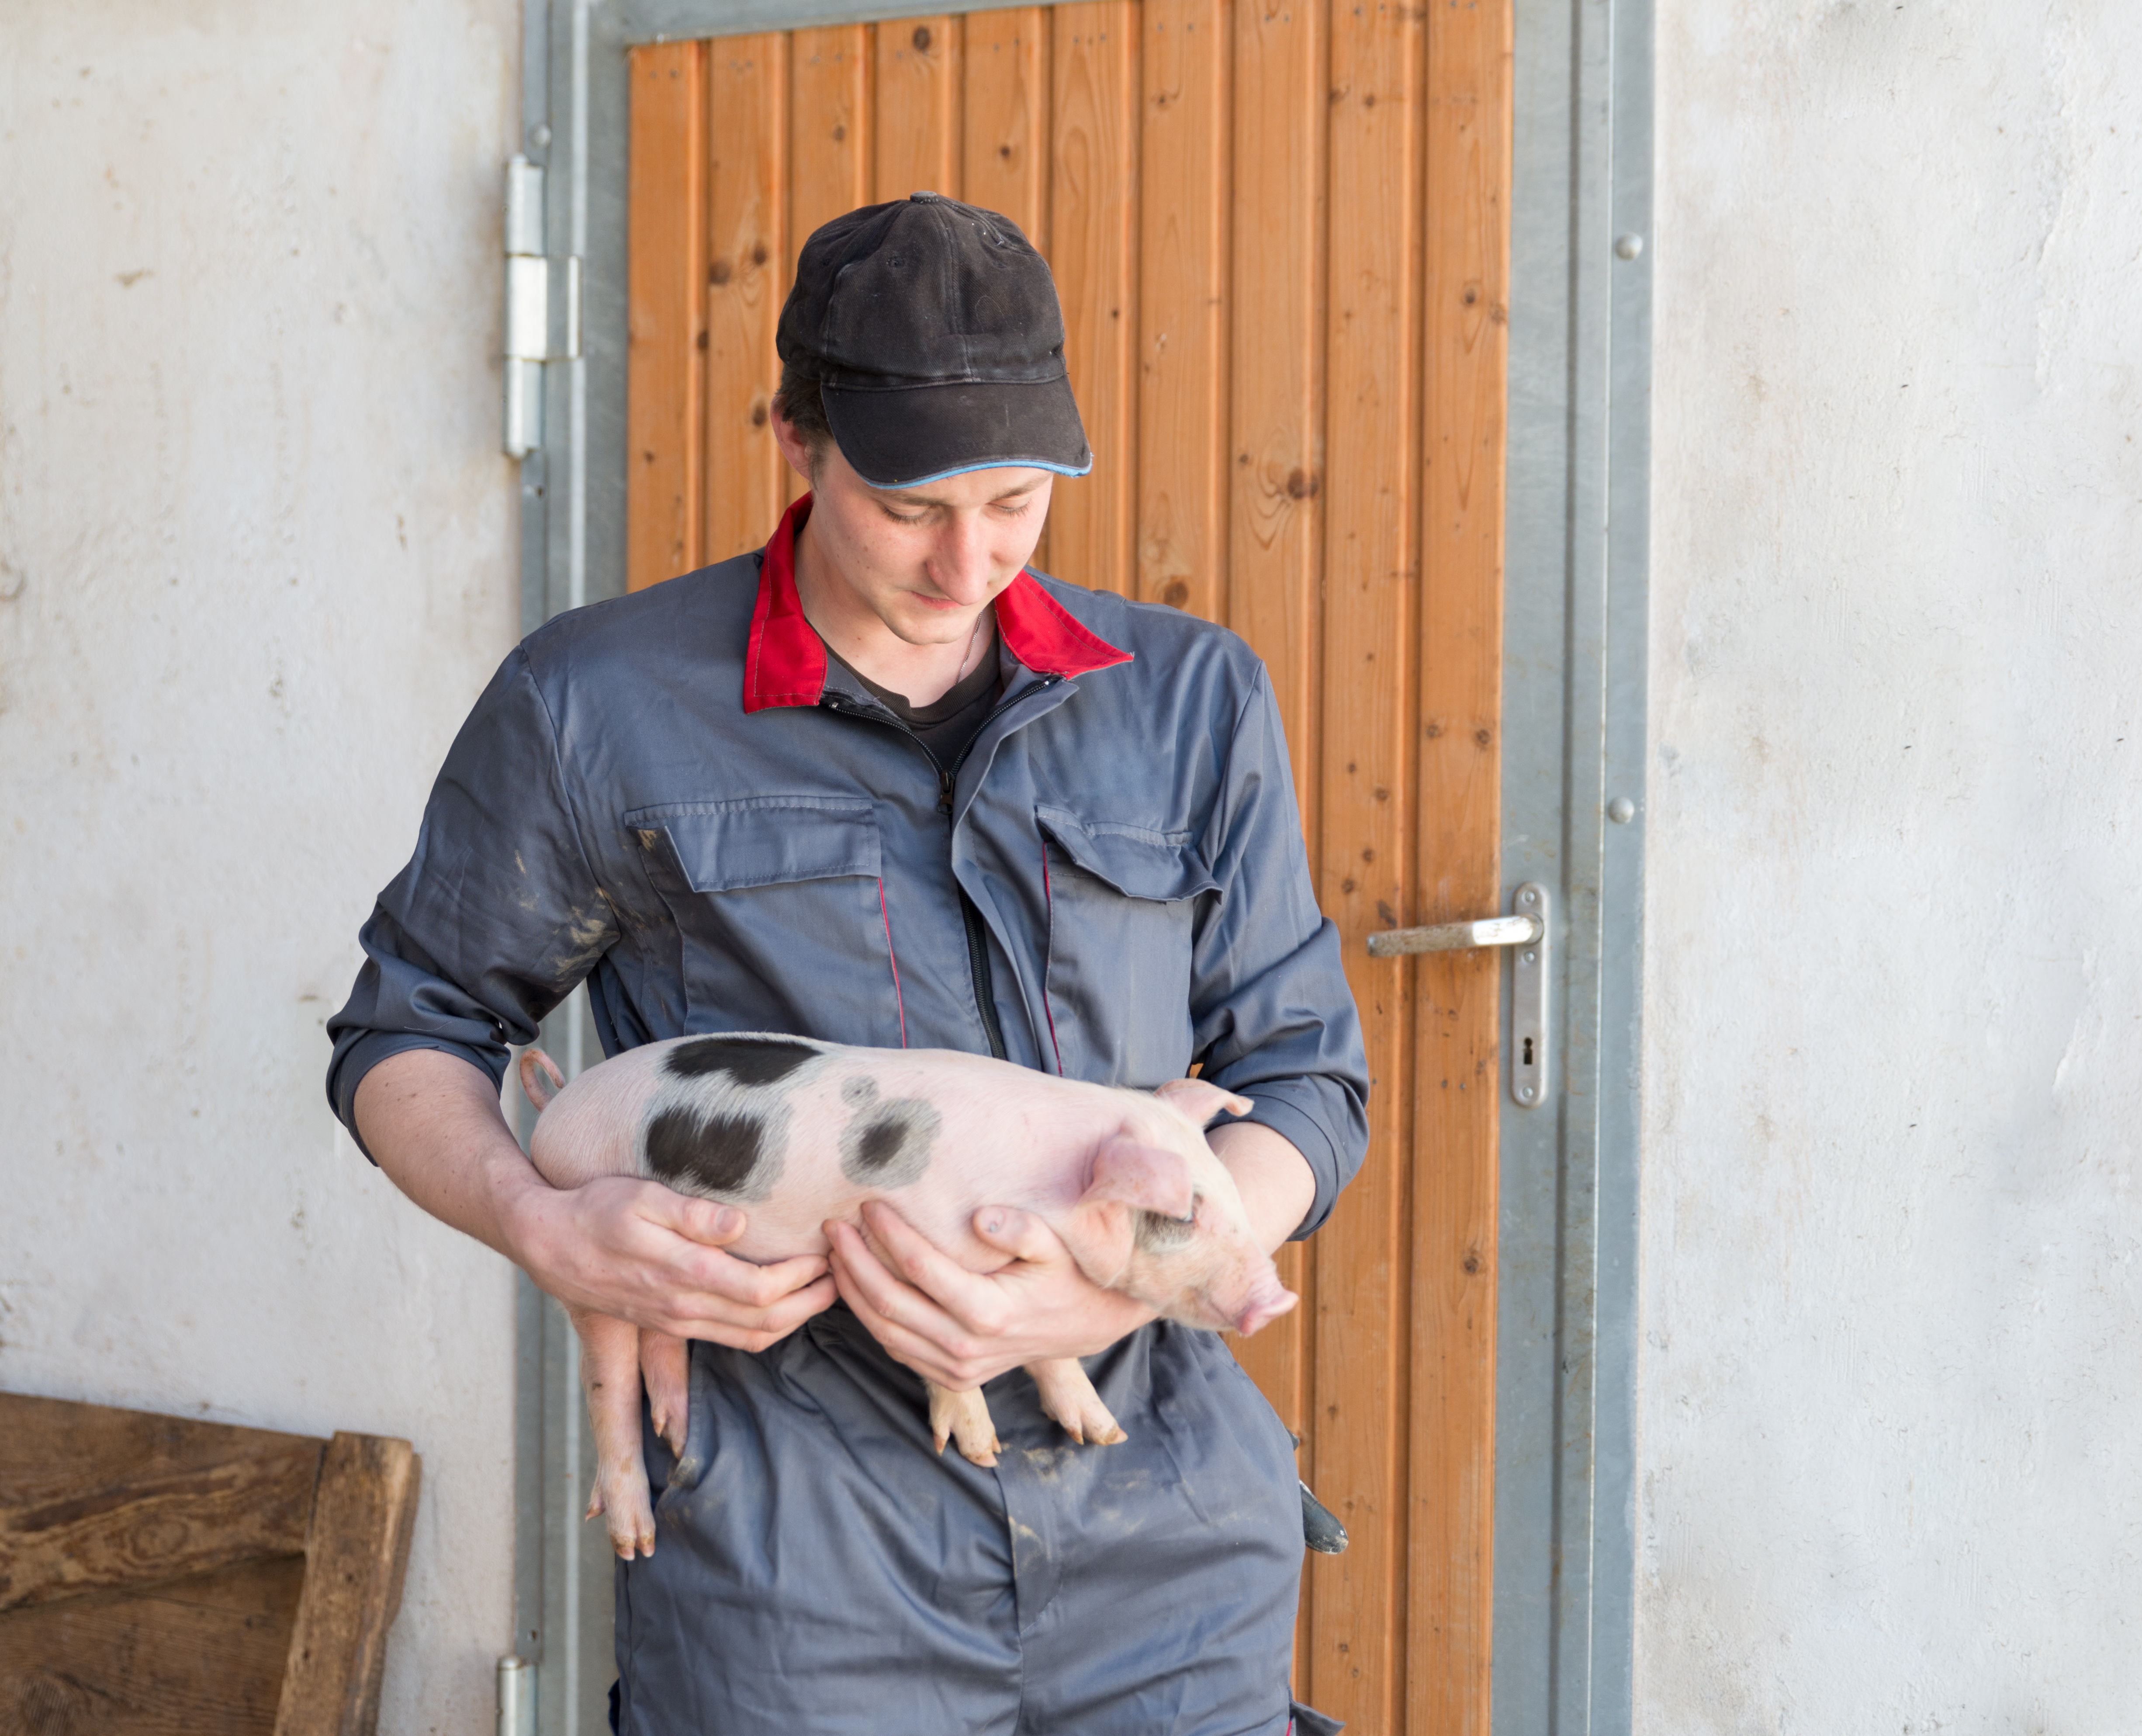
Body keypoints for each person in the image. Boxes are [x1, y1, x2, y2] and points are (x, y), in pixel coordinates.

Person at [326, 191, 1366, 1735]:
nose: (969, 564)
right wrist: (537, 1220)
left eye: (1015, 502)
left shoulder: (1192, 700)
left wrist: (1106, 1301)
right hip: (795, 1573)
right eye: (912, 506)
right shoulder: (594, 703)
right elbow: (405, 1034)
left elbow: (1303, 1081)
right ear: (796, 443)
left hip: (1168, 1542)